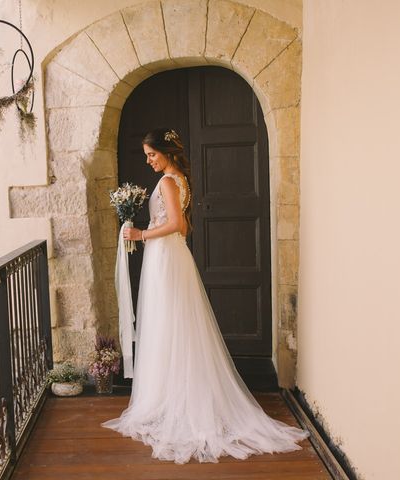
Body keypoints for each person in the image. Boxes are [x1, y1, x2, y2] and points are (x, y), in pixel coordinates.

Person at [101, 127, 310, 464]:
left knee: (170, 323)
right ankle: (172, 394)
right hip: (167, 256)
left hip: (166, 255)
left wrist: (140, 233)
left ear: (166, 151)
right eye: (146, 156)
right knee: (171, 325)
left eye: (152, 154)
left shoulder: (169, 181)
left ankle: (177, 401)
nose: (148, 160)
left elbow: (178, 225)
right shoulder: (177, 176)